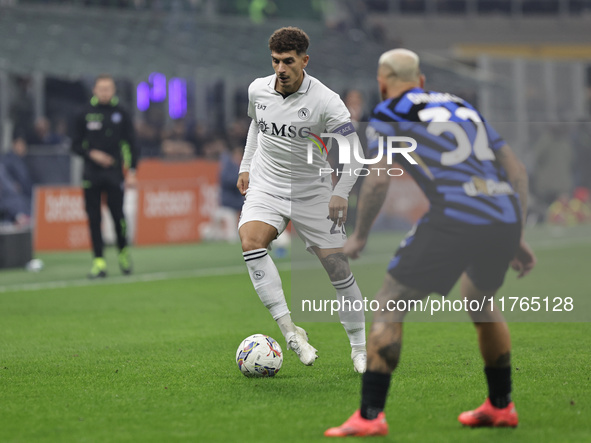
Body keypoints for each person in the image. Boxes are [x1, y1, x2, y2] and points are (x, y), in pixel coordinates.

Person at [325, 49, 537, 437]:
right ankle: (501, 405)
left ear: (382, 82)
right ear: (421, 80)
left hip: (456, 214)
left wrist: (359, 236)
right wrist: (515, 232)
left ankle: (370, 417)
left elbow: (378, 179)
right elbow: (516, 170)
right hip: (502, 211)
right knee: (479, 298)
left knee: (389, 303)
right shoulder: (461, 106)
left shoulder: (389, 111)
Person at [237, 27, 367, 372]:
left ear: (304, 61)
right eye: (276, 61)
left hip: (312, 191)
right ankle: (290, 333)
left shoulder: (326, 100)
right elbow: (256, 124)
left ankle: (359, 349)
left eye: (288, 61)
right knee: (250, 240)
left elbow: (354, 153)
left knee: (338, 269)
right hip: (267, 185)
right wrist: (247, 165)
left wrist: (341, 192)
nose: (281, 68)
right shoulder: (257, 89)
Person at [71, 74, 139, 279]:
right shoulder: (84, 113)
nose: (104, 92)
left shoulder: (122, 113)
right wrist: (92, 154)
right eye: (101, 88)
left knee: (118, 216)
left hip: (115, 173)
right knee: (93, 218)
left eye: (108, 88)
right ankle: (98, 262)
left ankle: (123, 252)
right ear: (94, 90)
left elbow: (132, 144)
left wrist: (132, 171)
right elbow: (75, 145)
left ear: (113, 91)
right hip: (91, 174)